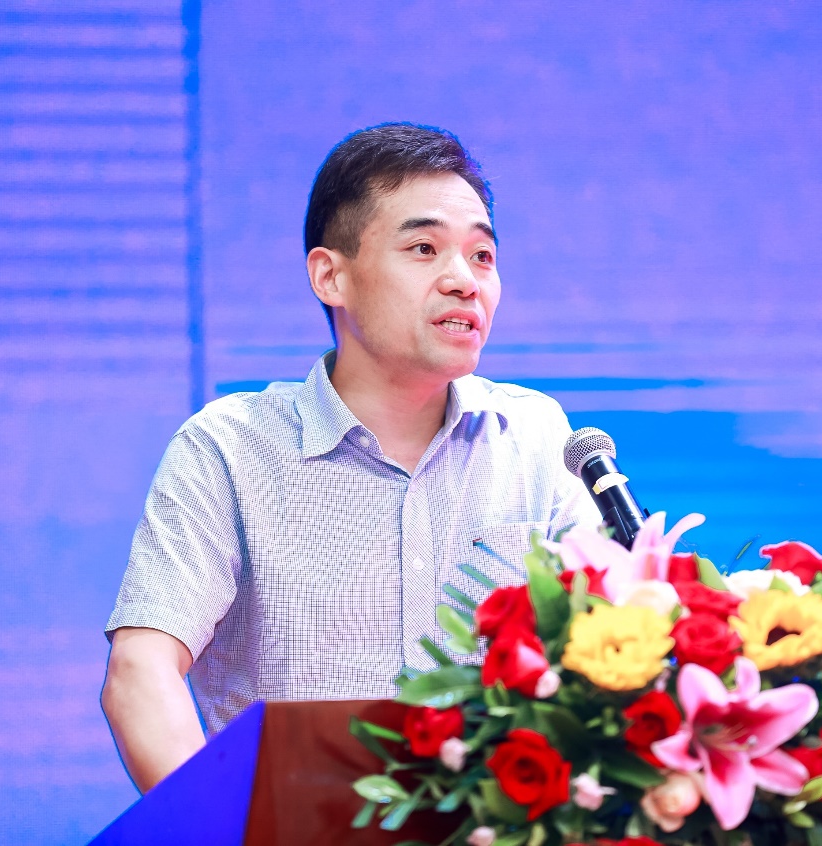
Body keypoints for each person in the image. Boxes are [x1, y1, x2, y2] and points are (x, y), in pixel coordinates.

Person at [100, 123, 600, 792]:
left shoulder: (537, 439)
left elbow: (610, 657)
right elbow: (141, 670)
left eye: (482, 256)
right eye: (424, 248)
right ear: (330, 275)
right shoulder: (230, 448)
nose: (464, 280)